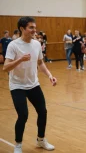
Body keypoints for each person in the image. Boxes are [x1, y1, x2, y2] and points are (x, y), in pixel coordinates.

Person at [3, 17, 58, 153]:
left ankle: (41, 140)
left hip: (33, 84)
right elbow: (5, 67)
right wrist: (20, 59)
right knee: (23, 115)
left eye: (35, 27)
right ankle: (18, 144)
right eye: (31, 27)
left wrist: (50, 75)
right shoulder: (13, 45)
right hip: (17, 86)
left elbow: (40, 63)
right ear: (22, 29)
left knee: (43, 112)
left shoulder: (37, 44)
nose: (34, 30)